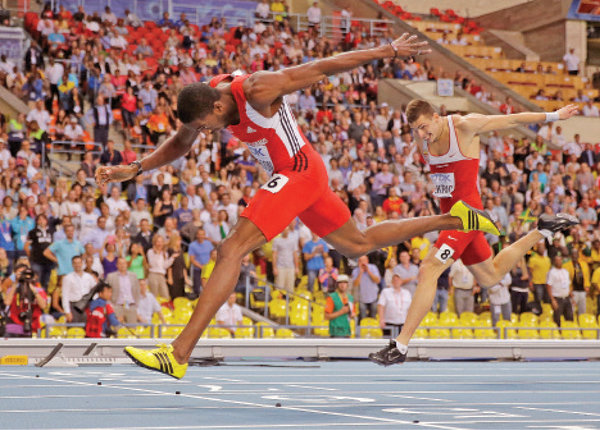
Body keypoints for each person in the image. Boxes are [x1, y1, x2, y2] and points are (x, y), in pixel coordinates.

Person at [97, 33, 498, 378]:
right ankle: (454, 217)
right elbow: (182, 141)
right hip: (300, 177)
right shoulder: (206, 95)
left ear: (218, 108)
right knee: (356, 244)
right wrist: (137, 167)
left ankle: (178, 354)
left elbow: (326, 65)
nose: (206, 133)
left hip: (300, 171)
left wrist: (388, 50)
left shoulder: (258, 89)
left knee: (231, 249)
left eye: (206, 126)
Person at [369, 99, 579, 366]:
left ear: (436, 117)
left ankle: (400, 345)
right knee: (490, 276)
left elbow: (511, 120)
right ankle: (542, 229)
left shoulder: (465, 126)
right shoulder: (424, 140)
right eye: (416, 130)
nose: (421, 135)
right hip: (451, 219)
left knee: (429, 268)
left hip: (466, 217)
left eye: (423, 127)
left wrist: (553, 115)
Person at [3, 264, 47, 337]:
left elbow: (43, 306)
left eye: (24, 272)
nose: (23, 275)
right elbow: (7, 302)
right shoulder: (13, 289)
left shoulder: (38, 290)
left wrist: (30, 285)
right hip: (14, 327)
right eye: (20, 273)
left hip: (31, 326)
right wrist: (16, 282)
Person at [61, 255, 97, 323]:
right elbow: (65, 296)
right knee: (75, 329)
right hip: (74, 306)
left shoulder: (89, 277)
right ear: (72, 264)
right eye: (75, 263)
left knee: (87, 328)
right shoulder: (68, 278)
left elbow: (95, 291)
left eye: (79, 263)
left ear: (82, 263)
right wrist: (67, 312)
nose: (77, 265)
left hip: (87, 306)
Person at [106, 257, 140, 324]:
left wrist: (136, 305)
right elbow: (107, 291)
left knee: (132, 330)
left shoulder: (133, 276)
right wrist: (111, 305)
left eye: (124, 263)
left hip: (131, 306)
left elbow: (137, 291)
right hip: (117, 306)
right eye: (120, 263)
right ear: (117, 265)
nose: (122, 265)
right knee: (117, 330)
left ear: (127, 264)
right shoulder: (111, 276)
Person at [546, 254, 573, 327]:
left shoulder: (565, 271)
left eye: (560, 260)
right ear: (554, 262)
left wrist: (571, 296)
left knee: (570, 317)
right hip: (557, 298)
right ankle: (557, 333)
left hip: (566, 297)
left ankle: (569, 333)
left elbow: (568, 284)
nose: (559, 262)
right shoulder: (552, 272)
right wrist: (552, 300)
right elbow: (549, 286)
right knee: (557, 318)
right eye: (557, 261)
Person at [563, 247, 590, 315]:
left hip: (582, 291)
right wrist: (568, 291)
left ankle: (581, 323)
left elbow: (586, 277)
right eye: (573, 254)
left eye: (576, 254)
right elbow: (565, 280)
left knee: (582, 310)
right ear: (570, 256)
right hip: (573, 291)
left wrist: (587, 287)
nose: (574, 256)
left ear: (578, 255)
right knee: (571, 310)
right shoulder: (566, 266)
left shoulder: (584, 264)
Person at [352, 255, 381, 319]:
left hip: (373, 297)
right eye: (360, 261)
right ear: (358, 262)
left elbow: (377, 281)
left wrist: (368, 271)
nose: (363, 262)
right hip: (362, 299)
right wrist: (360, 273)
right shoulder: (355, 271)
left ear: (367, 261)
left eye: (364, 260)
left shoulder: (373, 267)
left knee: (374, 318)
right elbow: (355, 284)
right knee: (363, 319)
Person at [272, 225, 299, 293]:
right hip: (280, 267)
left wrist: (296, 267)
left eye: (287, 229)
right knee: (279, 288)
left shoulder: (293, 241)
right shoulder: (277, 240)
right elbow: (274, 255)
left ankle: (289, 302)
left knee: (290, 288)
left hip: (290, 267)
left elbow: (295, 254)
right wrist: (274, 267)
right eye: (284, 229)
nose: (286, 231)